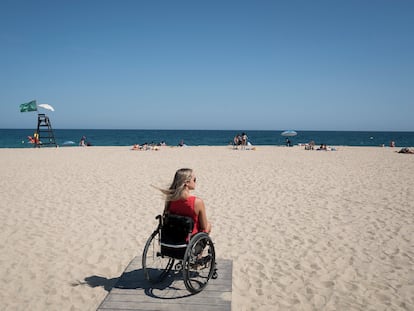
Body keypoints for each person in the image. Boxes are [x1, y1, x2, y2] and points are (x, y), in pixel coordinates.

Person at [158, 168, 211, 235]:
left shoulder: (170, 199)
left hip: (171, 236)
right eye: (194, 180)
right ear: (187, 182)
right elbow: (204, 226)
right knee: (208, 225)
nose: (195, 182)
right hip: (189, 239)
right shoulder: (197, 202)